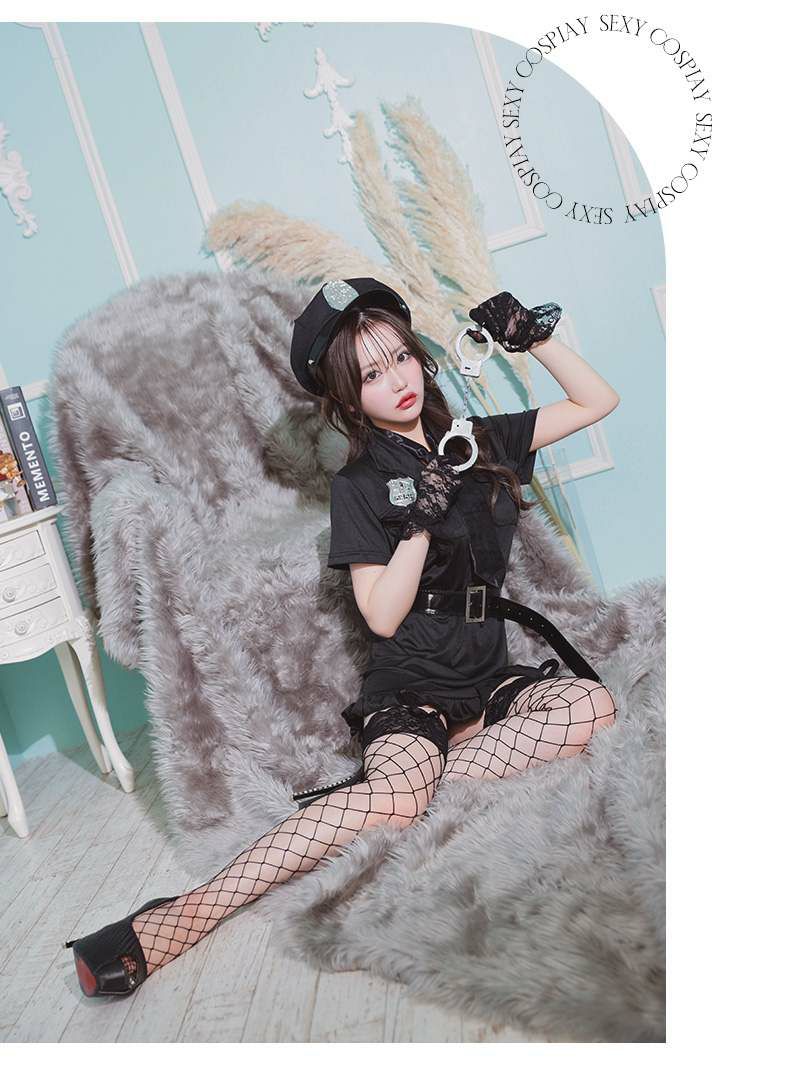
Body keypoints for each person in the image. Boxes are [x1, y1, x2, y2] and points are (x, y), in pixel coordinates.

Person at [64, 277, 619, 998]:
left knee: (592, 705)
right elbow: (382, 616)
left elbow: (596, 401)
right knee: (398, 796)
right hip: (415, 685)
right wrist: (418, 524)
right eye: (372, 374)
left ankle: (397, 791)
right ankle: (183, 914)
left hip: (487, 674)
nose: (398, 380)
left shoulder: (478, 443)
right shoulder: (358, 485)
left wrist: (533, 338)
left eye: (401, 357)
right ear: (349, 399)